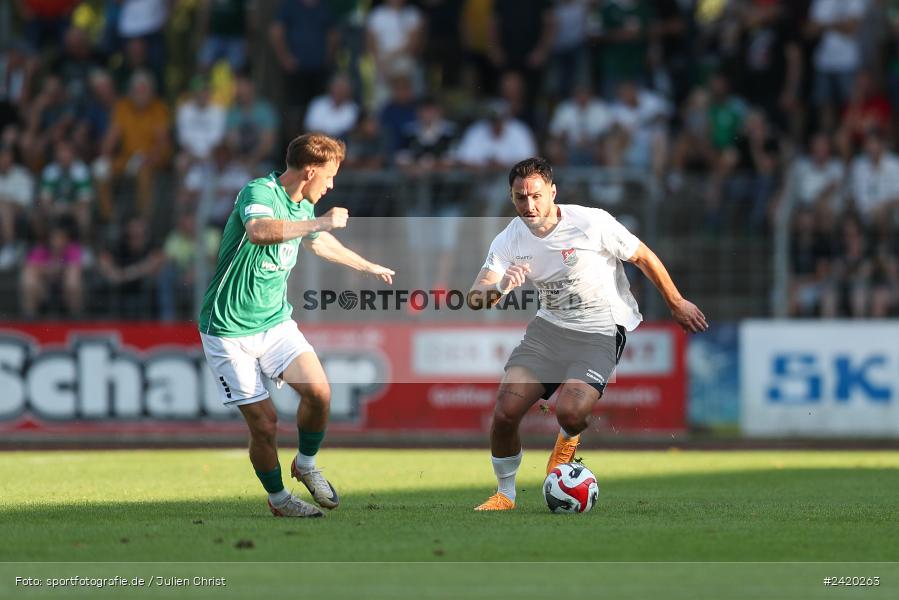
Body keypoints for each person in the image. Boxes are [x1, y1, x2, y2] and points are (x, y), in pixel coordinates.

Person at [467, 157, 707, 510]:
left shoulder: (590, 222)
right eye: (520, 197)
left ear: (553, 192)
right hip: (549, 330)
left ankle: (566, 443)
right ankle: (505, 495)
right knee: (505, 412)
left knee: (571, 413)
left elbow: (643, 256)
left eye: (536, 195)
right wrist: (501, 286)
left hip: (600, 329)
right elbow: (475, 296)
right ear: (511, 196)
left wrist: (676, 302)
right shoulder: (508, 239)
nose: (529, 205)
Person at [198, 133, 395, 518]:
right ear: (309, 172)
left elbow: (319, 243)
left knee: (319, 392)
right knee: (265, 424)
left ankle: (305, 464)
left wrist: (366, 265)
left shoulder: (303, 205)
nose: (331, 185)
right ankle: (279, 499)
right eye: (330, 176)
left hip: (275, 323)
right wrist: (319, 221)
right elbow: (259, 231)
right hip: (228, 330)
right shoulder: (260, 191)